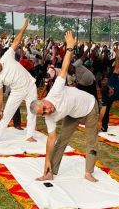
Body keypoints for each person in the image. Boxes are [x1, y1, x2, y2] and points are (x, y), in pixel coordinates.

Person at [31, 31, 100, 182]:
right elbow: (51, 140)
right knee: (61, 140)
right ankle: (51, 172)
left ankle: (88, 172)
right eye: (44, 113)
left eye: (45, 107)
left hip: (89, 106)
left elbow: (64, 68)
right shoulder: (49, 118)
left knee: (91, 140)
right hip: (73, 113)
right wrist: (46, 163)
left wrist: (69, 48)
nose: (48, 111)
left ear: (43, 99)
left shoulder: (55, 91)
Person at [0, 19, 38, 140]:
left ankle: (30, 135)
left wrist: (23, 27)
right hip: (16, 91)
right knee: (6, 114)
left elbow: (16, 41)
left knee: (32, 111)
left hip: (30, 85)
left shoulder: (6, 56)